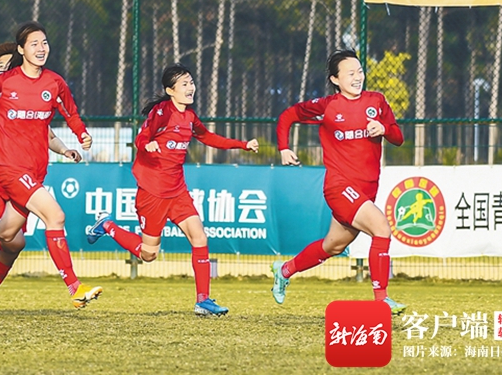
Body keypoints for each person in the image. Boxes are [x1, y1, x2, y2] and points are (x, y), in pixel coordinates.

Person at [86, 63, 259, 316]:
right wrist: (147, 145)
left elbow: (208, 137)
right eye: (184, 84)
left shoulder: (189, 116)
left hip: (177, 191)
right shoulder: (162, 112)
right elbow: (141, 137)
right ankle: (107, 226)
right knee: (148, 255)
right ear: (170, 91)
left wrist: (242, 144)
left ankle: (203, 301)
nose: (191, 88)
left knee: (199, 238)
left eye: (191, 82)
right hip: (152, 192)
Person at [0, 21, 102, 309]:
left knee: (9, 237)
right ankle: (75, 287)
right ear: (21, 50)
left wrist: (81, 135)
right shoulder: (5, 82)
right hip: (10, 169)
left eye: (44, 42)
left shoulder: (54, 82)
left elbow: (70, 112)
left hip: (36, 171)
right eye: (34, 44)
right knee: (55, 216)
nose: (41, 48)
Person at [271, 49, 406, 314]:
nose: (358, 77)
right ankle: (382, 300)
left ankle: (284, 270)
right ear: (335, 79)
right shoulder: (327, 106)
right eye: (350, 73)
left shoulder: (376, 101)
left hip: (366, 190)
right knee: (381, 228)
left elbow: (398, 137)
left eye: (360, 71)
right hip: (339, 186)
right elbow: (288, 116)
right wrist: (284, 148)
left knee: (333, 245)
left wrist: (384, 129)